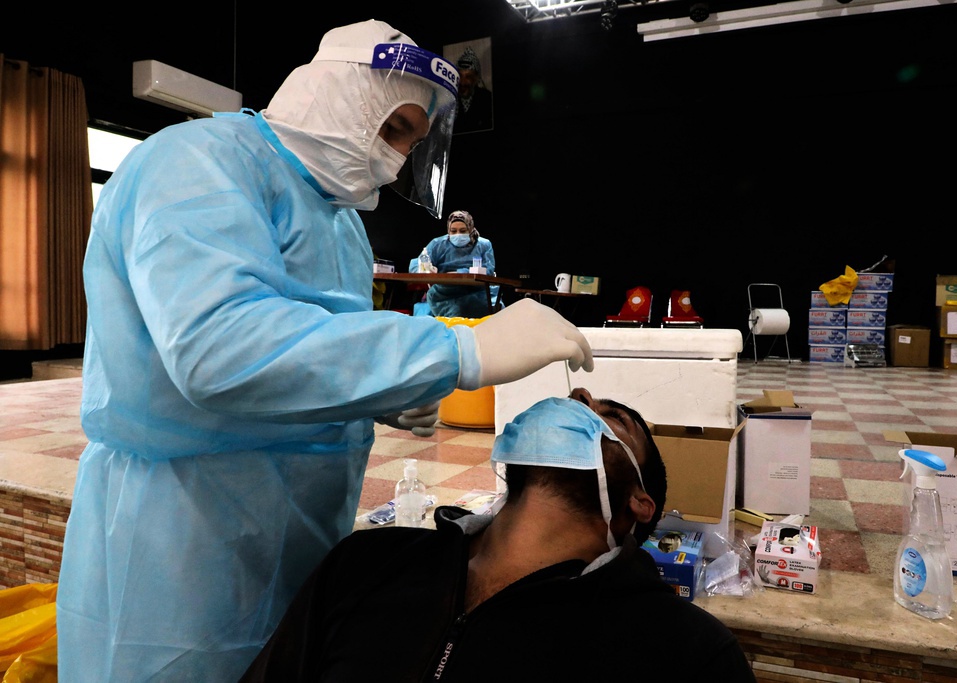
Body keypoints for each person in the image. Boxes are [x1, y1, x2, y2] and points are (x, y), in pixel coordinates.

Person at [55, 20, 594, 682]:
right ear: (339, 96)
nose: (398, 157)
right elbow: (219, 350)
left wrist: (385, 394)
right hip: (177, 539)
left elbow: (316, 351)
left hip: (301, 538)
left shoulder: (342, 226)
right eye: (394, 128)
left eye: (413, 142)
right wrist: (453, 350)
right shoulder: (195, 164)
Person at [240, 388, 757, 681]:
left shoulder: (686, 653)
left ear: (638, 504)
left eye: (610, 418)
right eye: (576, 402)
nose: (579, 397)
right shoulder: (367, 561)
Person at [422, 209, 499, 318]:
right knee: (456, 312)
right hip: (445, 293)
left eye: (463, 231)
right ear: (448, 230)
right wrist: (427, 269)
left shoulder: (483, 245)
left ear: (470, 229)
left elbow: (489, 270)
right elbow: (418, 263)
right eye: (453, 231)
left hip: (478, 292)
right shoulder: (437, 244)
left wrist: (460, 273)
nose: (458, 234)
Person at [453, 46, 493, 134]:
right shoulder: (450, 100)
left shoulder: (487, 99)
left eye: (468, 77)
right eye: (460, 76)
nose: (462, 82)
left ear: (477, 78)